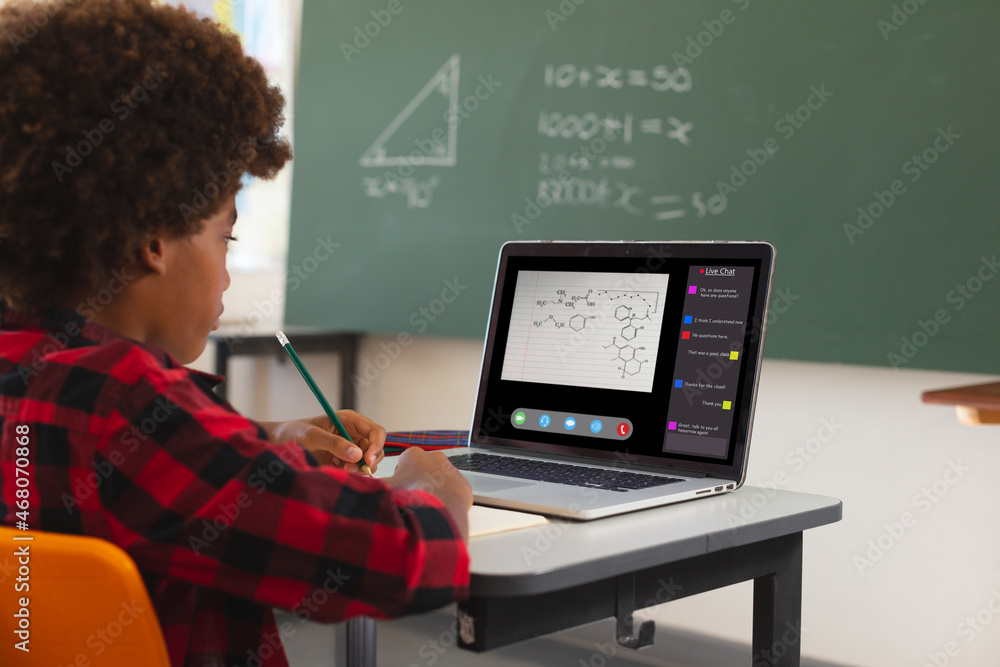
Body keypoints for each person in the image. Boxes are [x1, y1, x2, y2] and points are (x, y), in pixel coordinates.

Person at [0, 1, 473, 665]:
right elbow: (401, 561)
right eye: (227, 234)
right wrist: (431, 491)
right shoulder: (134, 408)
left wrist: (265, 440)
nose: (226, 268)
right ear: (154, 237)